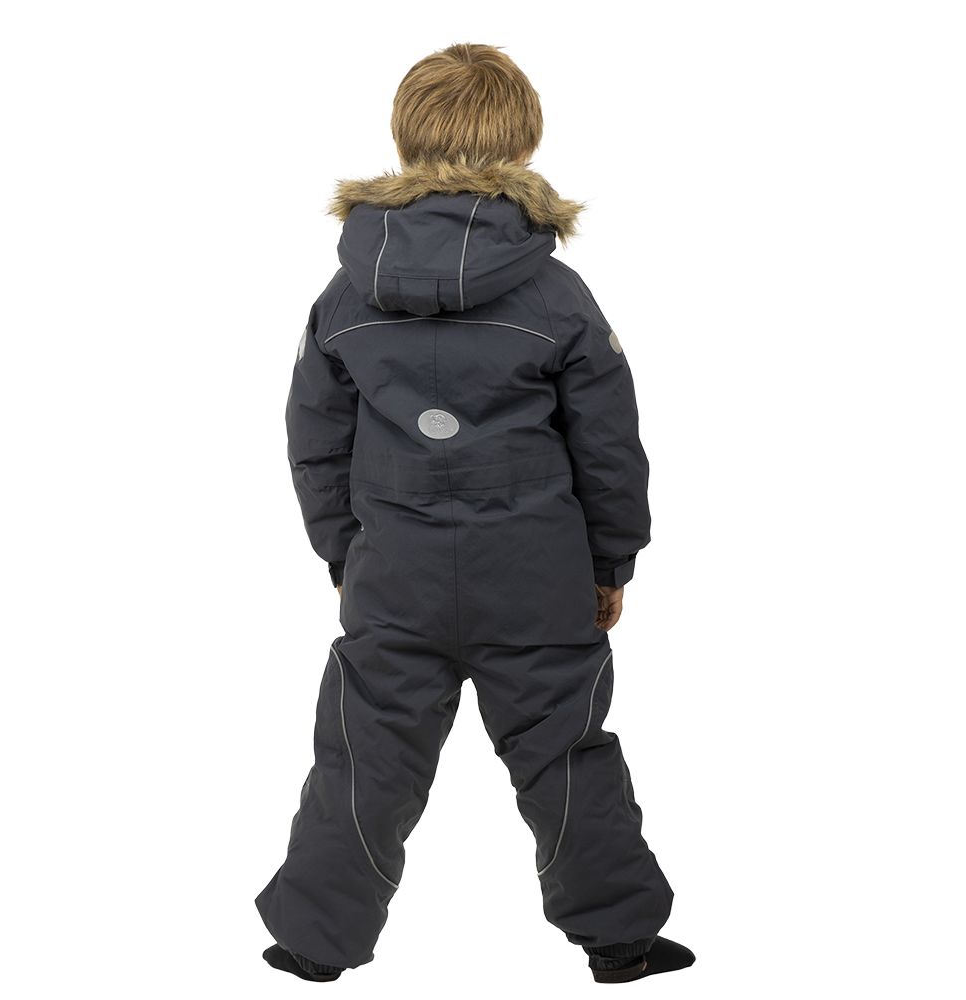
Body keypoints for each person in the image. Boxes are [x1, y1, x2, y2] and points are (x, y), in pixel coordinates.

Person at [254, 42, 695, 985]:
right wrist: (610, 562)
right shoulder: (556, 295)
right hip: (536, 580)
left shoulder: (346, 293)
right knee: (566, 754)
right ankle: (621, 939)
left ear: (404, 141)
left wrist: (345, 555)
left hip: (395, 579)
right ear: (523, 146)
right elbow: (609, 446)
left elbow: (314, 442)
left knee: (365, 757)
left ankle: (312, 942)